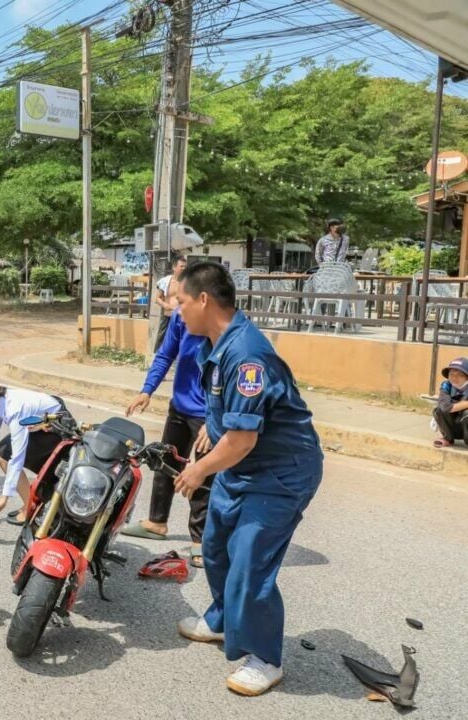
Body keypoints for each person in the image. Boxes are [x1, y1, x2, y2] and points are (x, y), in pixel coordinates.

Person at [170, 262, 323, 696]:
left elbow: (241, 441)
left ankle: (265, 658)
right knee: (216, 548)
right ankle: (221, 620)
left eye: (180, 302)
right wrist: (209, 427)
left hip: (279, 472)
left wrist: (199, 469)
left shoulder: (248, 355)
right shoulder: (217, 342)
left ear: (203, 300)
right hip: (240, 467)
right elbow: (228, 413)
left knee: (249, 564)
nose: (176, 311)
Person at [122, 303, 215, 568]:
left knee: (204, 474)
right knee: (164, 462)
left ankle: (201, 540)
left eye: (183, 296)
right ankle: (156, 522)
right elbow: (165, 355)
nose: (178, 305)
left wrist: (215, 418)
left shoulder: (222, 323)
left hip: (207, 415)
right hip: (180, 406)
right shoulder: (180, 315)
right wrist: (146, 390)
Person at [0, 375, 65, 525]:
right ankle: (30, 502)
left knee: (6, 455)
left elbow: (18, 456)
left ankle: (31, 509)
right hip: (40, 422)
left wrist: (5, 497)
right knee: (1, 453)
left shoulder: (14, 409)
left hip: (57, 426)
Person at [154, 254, 187, 351]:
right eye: (181, 266)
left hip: (181, 318)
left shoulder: (187, 283)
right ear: (174, 267)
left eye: (185, 267)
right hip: (167, 317)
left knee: (181, 344)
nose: (184, 269)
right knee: (162, 344)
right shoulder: (165, 281)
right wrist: (165, 305)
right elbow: (157, 298)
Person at [433, 357, 468, 448]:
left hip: (466, 426)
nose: (454, 377)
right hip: (452, 426)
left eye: (459, 375)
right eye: (451, 374)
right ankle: (447, 438)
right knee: (439, 410)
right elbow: (446, 407)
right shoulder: (446, 385)